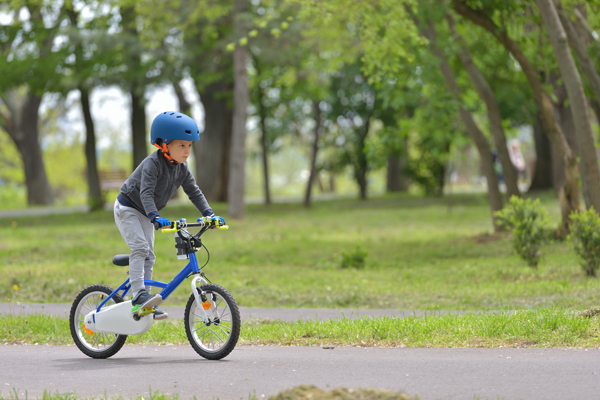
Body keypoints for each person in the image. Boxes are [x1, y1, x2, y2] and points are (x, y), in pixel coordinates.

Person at [113, 111, 224, 320]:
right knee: (140, 248)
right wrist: (155, 216)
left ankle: (145, 302)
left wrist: (209, 214)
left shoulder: (181, 167)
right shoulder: (152, 164)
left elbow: (193, 191)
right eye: (181, 145)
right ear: (164, 144)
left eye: (190, 145)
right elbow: (146, 192)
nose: (187, 151)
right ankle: (138, 296)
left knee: (150, 255)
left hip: (146, 212)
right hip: (128, 207)